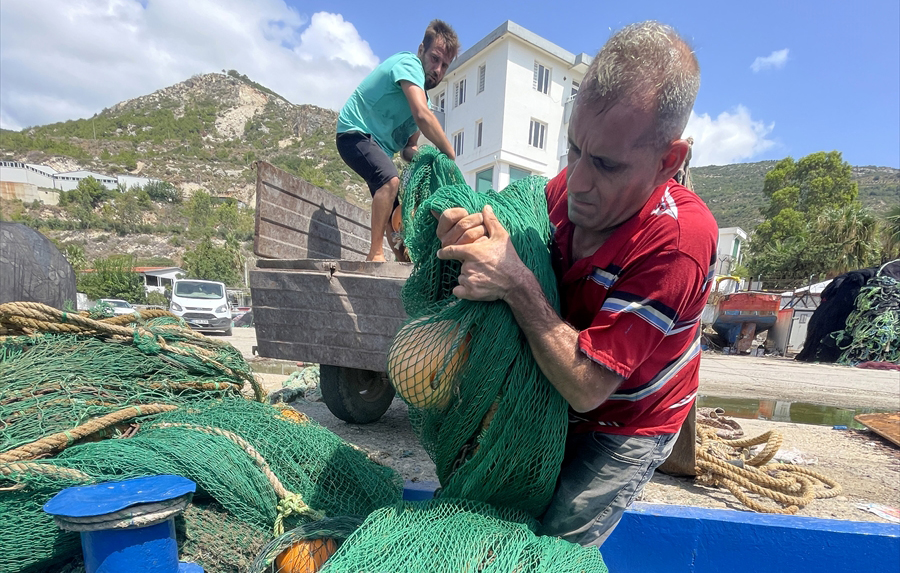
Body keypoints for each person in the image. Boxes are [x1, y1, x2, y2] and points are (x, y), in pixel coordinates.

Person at [434, 22, 718, 546]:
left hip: (627, 417)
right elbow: (511, 224)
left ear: (668, 162)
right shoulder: (573, 184)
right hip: (559, 383)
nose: (578, 181)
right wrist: (469, 227)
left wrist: (517, 283)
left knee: (559, 542)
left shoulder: (678, 242)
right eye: (572, 149)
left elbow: (588, 388)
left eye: (607, 164)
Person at [337, 19, 459, 261]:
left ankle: (402, 263)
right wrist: (448, 153)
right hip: (354, 133)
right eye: (435, 58)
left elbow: (408, 148)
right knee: (390, 181)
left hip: (377, 150)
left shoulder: (426, 100)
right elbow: (422, 116)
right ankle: (374, 254)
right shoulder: (409, 63)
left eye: (444, 65)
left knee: (398, 218)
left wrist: (427, 155)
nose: (438, 69)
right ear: (422, 49)